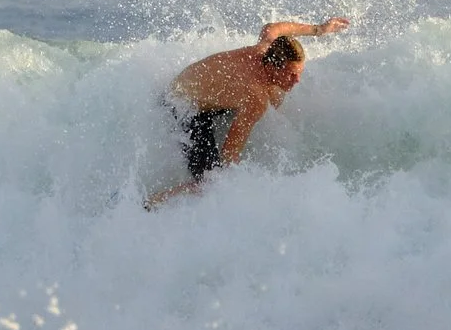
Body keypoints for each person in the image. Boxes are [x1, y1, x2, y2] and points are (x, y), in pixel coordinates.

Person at [145, 17, 351, 207]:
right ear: (272, 66)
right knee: (212, 183)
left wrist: (319, 29)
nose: (297, 81)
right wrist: (247, 184)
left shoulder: (266, 48)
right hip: (183, 107)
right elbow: (229, 155)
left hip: (201, 93)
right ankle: (152, 203)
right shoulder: (254, 98)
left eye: (299, 73)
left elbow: (274, 28)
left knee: (275, 94)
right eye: (291, 75)